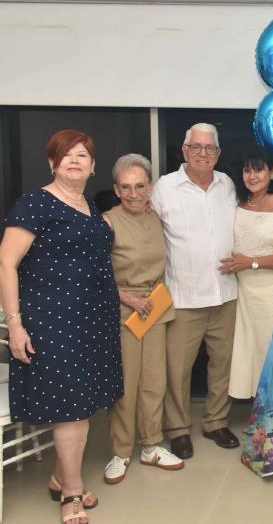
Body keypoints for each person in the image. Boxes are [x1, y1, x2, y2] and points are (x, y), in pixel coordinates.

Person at [0, 129, 123, 524]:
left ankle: (58, 476)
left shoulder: (88, 205)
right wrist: (15, 324)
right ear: (53, 163)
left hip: (94, 322)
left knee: (83, 407)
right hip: (54, 323)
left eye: (82, 155)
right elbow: (6, 263)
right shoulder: (35, 203)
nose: (74, 160)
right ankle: (71, 493)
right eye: (65, 155)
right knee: (71, 411)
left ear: (92, 167)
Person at [151, 123, 240, 460]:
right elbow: (148, 231)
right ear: (185, 150)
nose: (203, 153)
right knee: (178, 370)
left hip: (226, 294)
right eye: (197, 147)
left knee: (222, 365)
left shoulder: (227, 184)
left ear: (217, 153)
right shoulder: (165, 188)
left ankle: (216, 421)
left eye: (210, 148)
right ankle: (177, 430)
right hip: (183, 297)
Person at [102, 154, 184, 485]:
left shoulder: (157, 217)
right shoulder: (106, 222)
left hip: (156, 306)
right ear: (116, 189)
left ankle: (151, 445)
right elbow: (93, 274)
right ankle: (121, 451)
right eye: (126, 187)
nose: (134, 194)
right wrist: (125, 296)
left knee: (155, 382)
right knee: (126, 385)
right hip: (124, 309)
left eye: (140, 186)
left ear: (150, 187)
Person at [220, 150, 273, 400]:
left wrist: (250, 263)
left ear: (272, 172)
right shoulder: (238, 203)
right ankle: (258, 411)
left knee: (270, 352)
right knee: (247, 352)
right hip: (243, 293)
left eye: (258, 169)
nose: (252, 175)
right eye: (247, 170)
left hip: (271, 294)